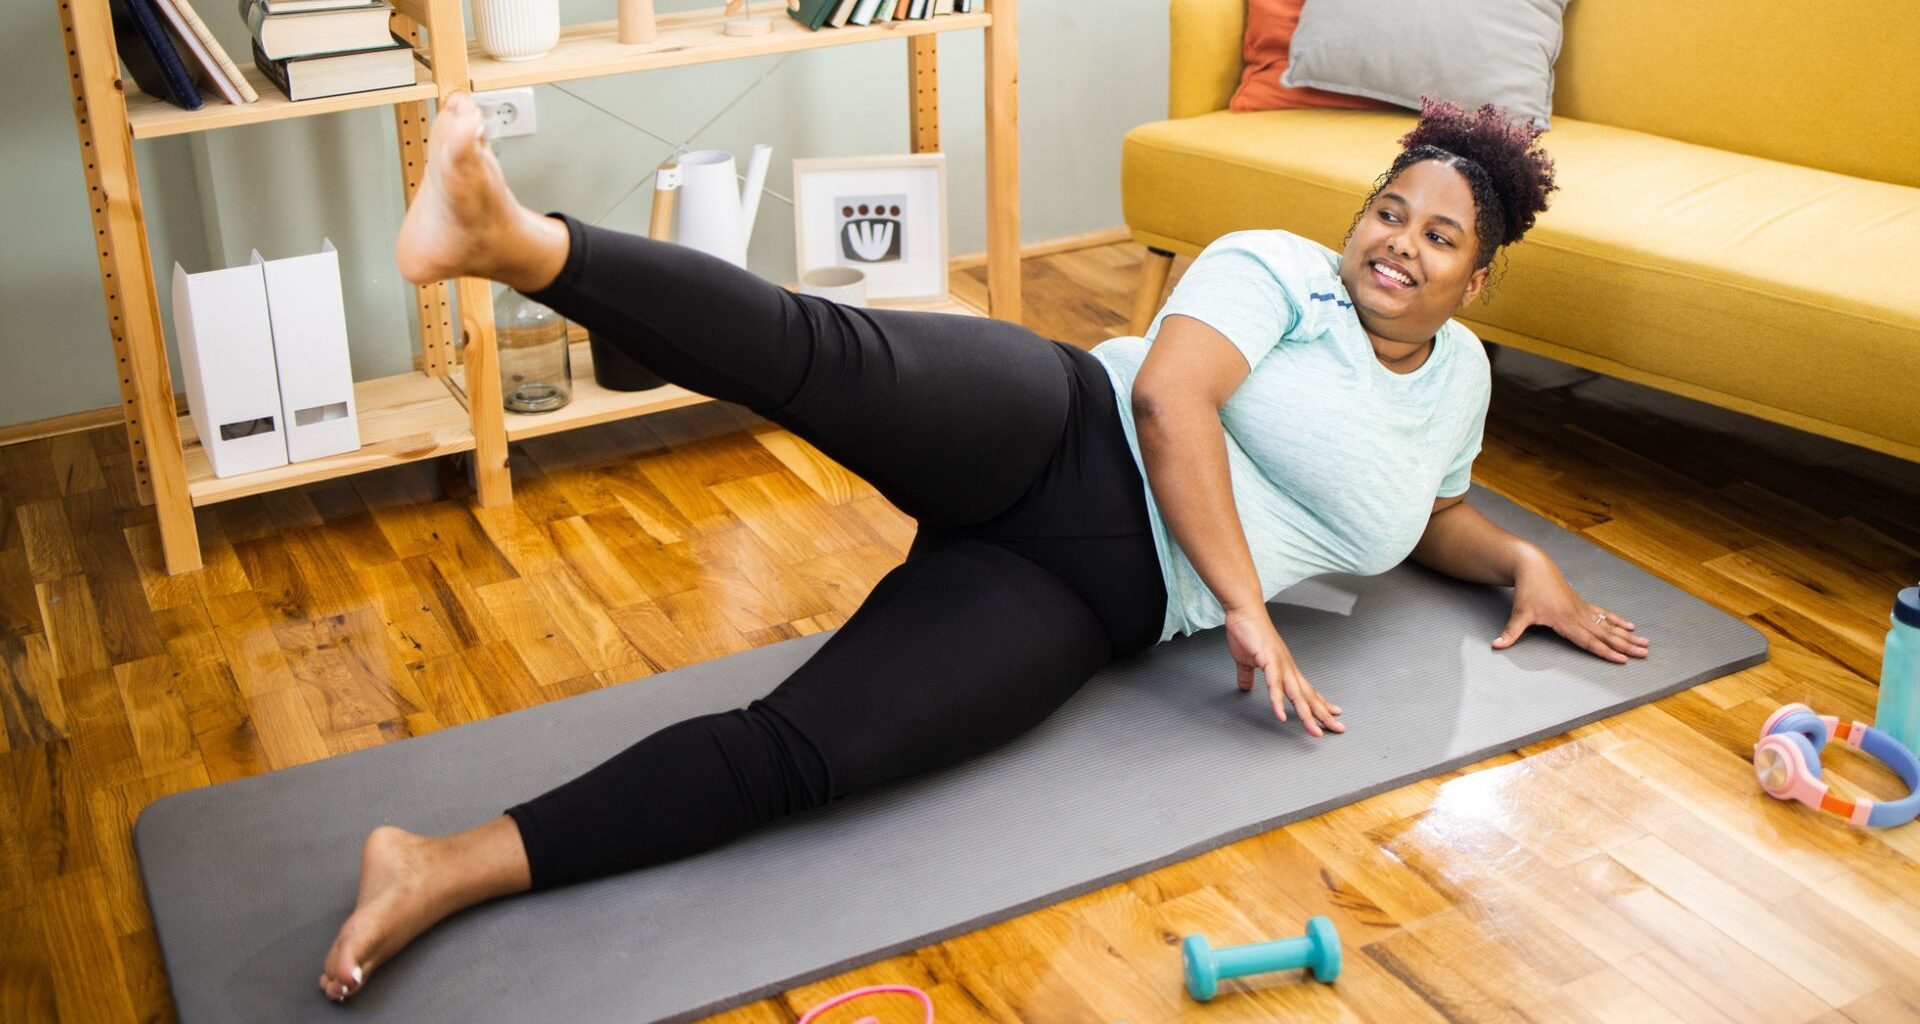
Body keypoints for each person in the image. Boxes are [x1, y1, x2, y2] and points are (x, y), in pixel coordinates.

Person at [317, 92, 1648, 1002]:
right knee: (809, 350)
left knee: (805, 758)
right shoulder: (1278, 271)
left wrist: (1514, 562)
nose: (1397, 246)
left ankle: (436, 865)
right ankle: (509, 238)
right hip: (1050, 425)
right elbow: (1166, 400)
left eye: (1438, 237)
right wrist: (1247, 604)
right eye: (1390, 212)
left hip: (1082, 593)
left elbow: (1421, 511)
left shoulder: (1458, 380)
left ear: (1478, 281)